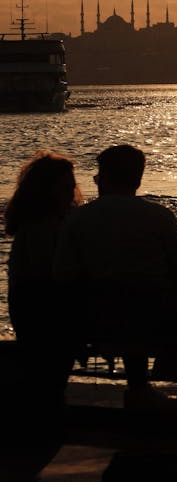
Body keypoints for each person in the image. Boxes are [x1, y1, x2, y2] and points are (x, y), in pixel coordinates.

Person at [53, 143, 177, 411]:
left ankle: (140, 386)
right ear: (138, 179)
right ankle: (163, 367)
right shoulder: (160, 217)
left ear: (104, 177)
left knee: (123, 301)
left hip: (94, 318)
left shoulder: (78, 219)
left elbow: (62, 274)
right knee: (145, 298)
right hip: (152, 318)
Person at [3, 150, 83, 471]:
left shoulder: (32, 227)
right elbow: (52, 278)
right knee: (47, 383)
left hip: (35, 314)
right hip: (47, 317)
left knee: (44, 382)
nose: (71, 194)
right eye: (65, 188)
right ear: (47, 191)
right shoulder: (47, 229)